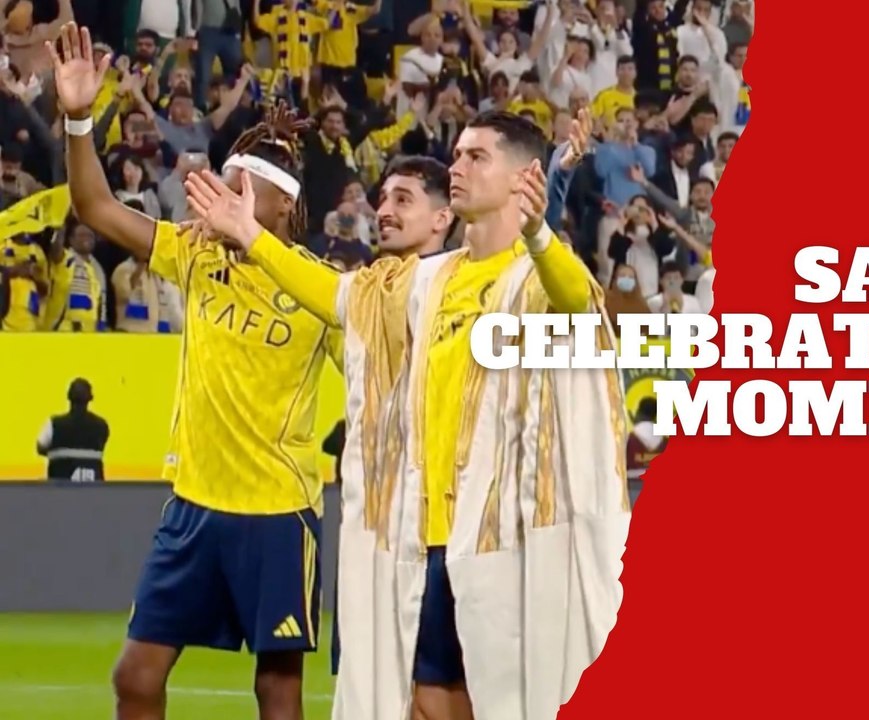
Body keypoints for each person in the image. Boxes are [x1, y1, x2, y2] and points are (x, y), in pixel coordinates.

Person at [184, 110, 630, 720]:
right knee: (426, 700)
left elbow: (578, 302)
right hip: (425, 542)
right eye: (457, 154)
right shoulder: (425, 281)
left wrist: (540, 235)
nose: (458, 166)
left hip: (509, 543)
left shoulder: (535, 274)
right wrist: (253, 238)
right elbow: (341, 300)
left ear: (523, 175)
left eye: (477, 157)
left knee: (507, 698)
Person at [47, 22, 342, 720]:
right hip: (192, 508)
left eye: (243, 187)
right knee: (136, 677)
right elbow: (93, 205)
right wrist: (80, 118)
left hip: (277, 513)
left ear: (283, 206)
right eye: (223, 180)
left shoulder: (316, 286)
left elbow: (370, 349)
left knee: (277, 692)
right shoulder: (193, 254)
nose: (220, 194)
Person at [36, 378, 110, 482]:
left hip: (60, 491)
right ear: (90, 398)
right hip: (94, 492)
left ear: (68, 397)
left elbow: (41, 446)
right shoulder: (102, 425)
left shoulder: (54, 424)